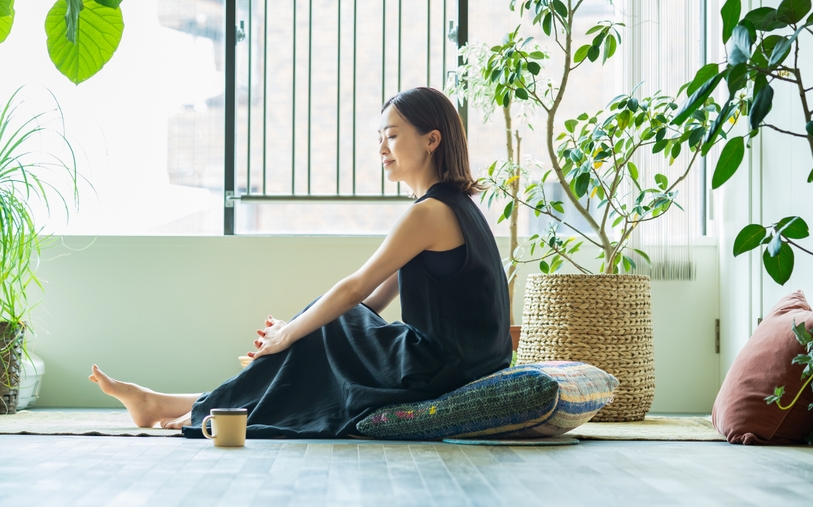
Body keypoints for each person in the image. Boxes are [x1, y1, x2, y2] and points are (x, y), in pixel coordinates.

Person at [89, 86, 512, 438]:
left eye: (393, 135)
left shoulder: (428, 214)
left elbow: (355, 289)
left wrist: (289, 334)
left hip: (440, 367)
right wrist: (300, 337)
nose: (381, 148)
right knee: (326, 329)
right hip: (463, 360)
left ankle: (195, 409)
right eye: (380, 137)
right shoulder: (455, 208)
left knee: (325, 322)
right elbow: (374, 300)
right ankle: (173, 404)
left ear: (431, 139)